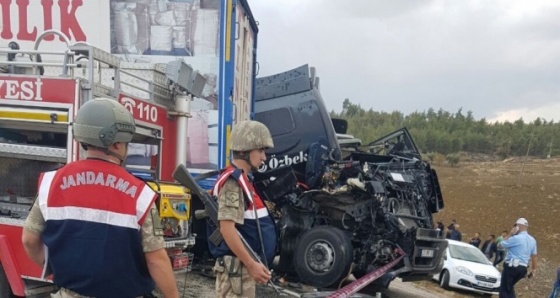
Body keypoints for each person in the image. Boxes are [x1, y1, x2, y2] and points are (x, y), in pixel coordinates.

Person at [21, 98, 179, 298]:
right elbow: (156, 259)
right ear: (117, 143)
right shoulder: (139, 194)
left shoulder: (51, 183)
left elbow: (29, 240)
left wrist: (60, 270)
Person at [208, 120, 277, 298]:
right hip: (236, 272)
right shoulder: (233, 183)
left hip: (242, 271)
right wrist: (252, 264)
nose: (264, 157)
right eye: (260, 150)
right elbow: (227, 229)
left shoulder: (245, 181)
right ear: (244, 151)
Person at [498, 218, 537, 298]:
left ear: (518, 226)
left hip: (512, 266)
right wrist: (533, 270)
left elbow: (499, 245)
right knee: (509, 288)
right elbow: (534, 256)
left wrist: (510, 234)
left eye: (515, 225)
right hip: (523, 268)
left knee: (504, 290)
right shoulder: (532, 240)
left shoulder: (515, 238)